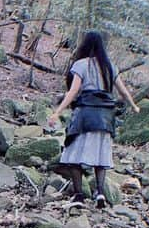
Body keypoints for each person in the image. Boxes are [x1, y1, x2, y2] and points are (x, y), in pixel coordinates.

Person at [46, 30, 140, 207]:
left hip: (85, 115)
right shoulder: (110, 66)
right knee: (100, 156)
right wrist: (134, 106)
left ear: (85, 44)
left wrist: (57, 112)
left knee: (73, 155)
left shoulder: (81, 65)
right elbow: (123, 91)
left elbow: (73, 92)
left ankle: (79, 196)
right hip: (105, 117)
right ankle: (100, 194)